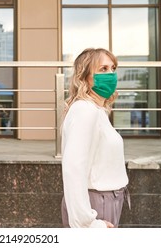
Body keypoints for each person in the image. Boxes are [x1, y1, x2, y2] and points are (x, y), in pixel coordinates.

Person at [61, 48, 130, 228]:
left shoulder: (97, 111)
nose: (111, 74)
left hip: (106, 201)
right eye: (103, 69)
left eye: (113, 68)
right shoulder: (84, 110)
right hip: (98, 205)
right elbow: (74, 168)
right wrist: (88, 223)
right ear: (84, 77)